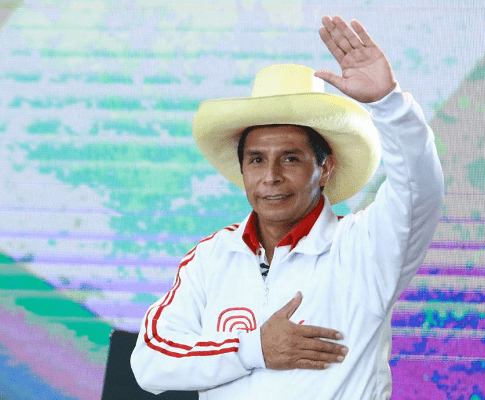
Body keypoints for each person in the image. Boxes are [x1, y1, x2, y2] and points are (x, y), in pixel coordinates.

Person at [131, 15, 444, 399]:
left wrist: (388, 103)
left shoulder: (363, 246)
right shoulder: (210, 256)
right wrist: (253, 349)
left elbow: (420, 191)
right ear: (243, 169)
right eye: (257, 160)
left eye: (291, 158)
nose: (271, 176)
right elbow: (151, 362)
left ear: (325, 167)